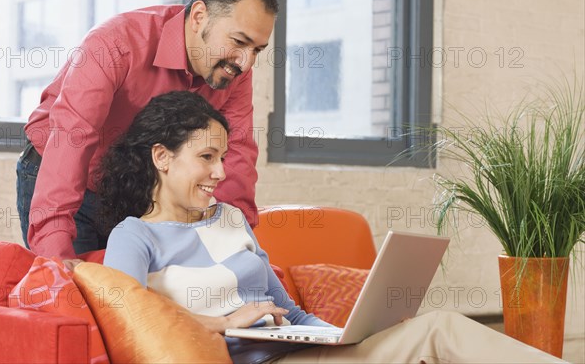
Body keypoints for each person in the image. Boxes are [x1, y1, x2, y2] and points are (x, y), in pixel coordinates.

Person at [101, 91, 566, 364]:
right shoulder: (133, 236)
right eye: (206, 157)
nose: (221, 173)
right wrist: (223, 323)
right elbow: (128, 318)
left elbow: (293, 316)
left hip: (302, 353)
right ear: (162, 157)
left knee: (434, 329)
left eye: (222, 158)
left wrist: (341, 333)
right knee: (440, 332)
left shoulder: (231, 219)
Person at [16, 0, 277, 260]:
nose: (245, 62)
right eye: (239, 42)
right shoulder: (115, 43)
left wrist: (237, 245)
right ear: (199, 16)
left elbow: (237, 153)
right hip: (62, 170)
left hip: (132, 185)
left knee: (130, 292)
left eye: (257, 49)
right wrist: (58, 260)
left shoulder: (234, 71)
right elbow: (73, 136)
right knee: (78, 291)